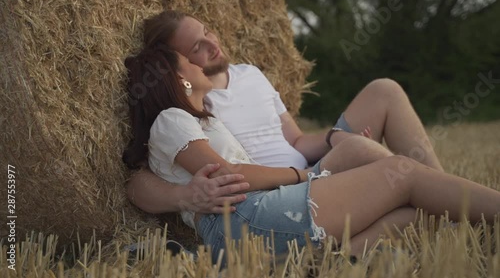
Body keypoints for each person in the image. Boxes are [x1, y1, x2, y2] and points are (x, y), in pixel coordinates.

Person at [123, 45, 500, 262]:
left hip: (252, 217)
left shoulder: (197, 120)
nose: (198, 61)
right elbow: (228, 173)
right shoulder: (171, 118)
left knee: (411, 210)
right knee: (403, 172)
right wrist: (304, 175)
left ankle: (332, 265)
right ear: (179, 79)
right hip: (244, 219)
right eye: (188, 59)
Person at [126, 10, 446, 216]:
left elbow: (296, 139)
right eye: (197, 47)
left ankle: (444, 193)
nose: (212, 43)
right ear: (176, 65)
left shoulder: (250, 73)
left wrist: (335, 138)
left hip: (312, 166)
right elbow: (143, 176)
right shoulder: (191, 104)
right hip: (281, 195)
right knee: (395, 190)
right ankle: (442, 201)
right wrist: (182, 196)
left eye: (207, 31)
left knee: (384, 90)